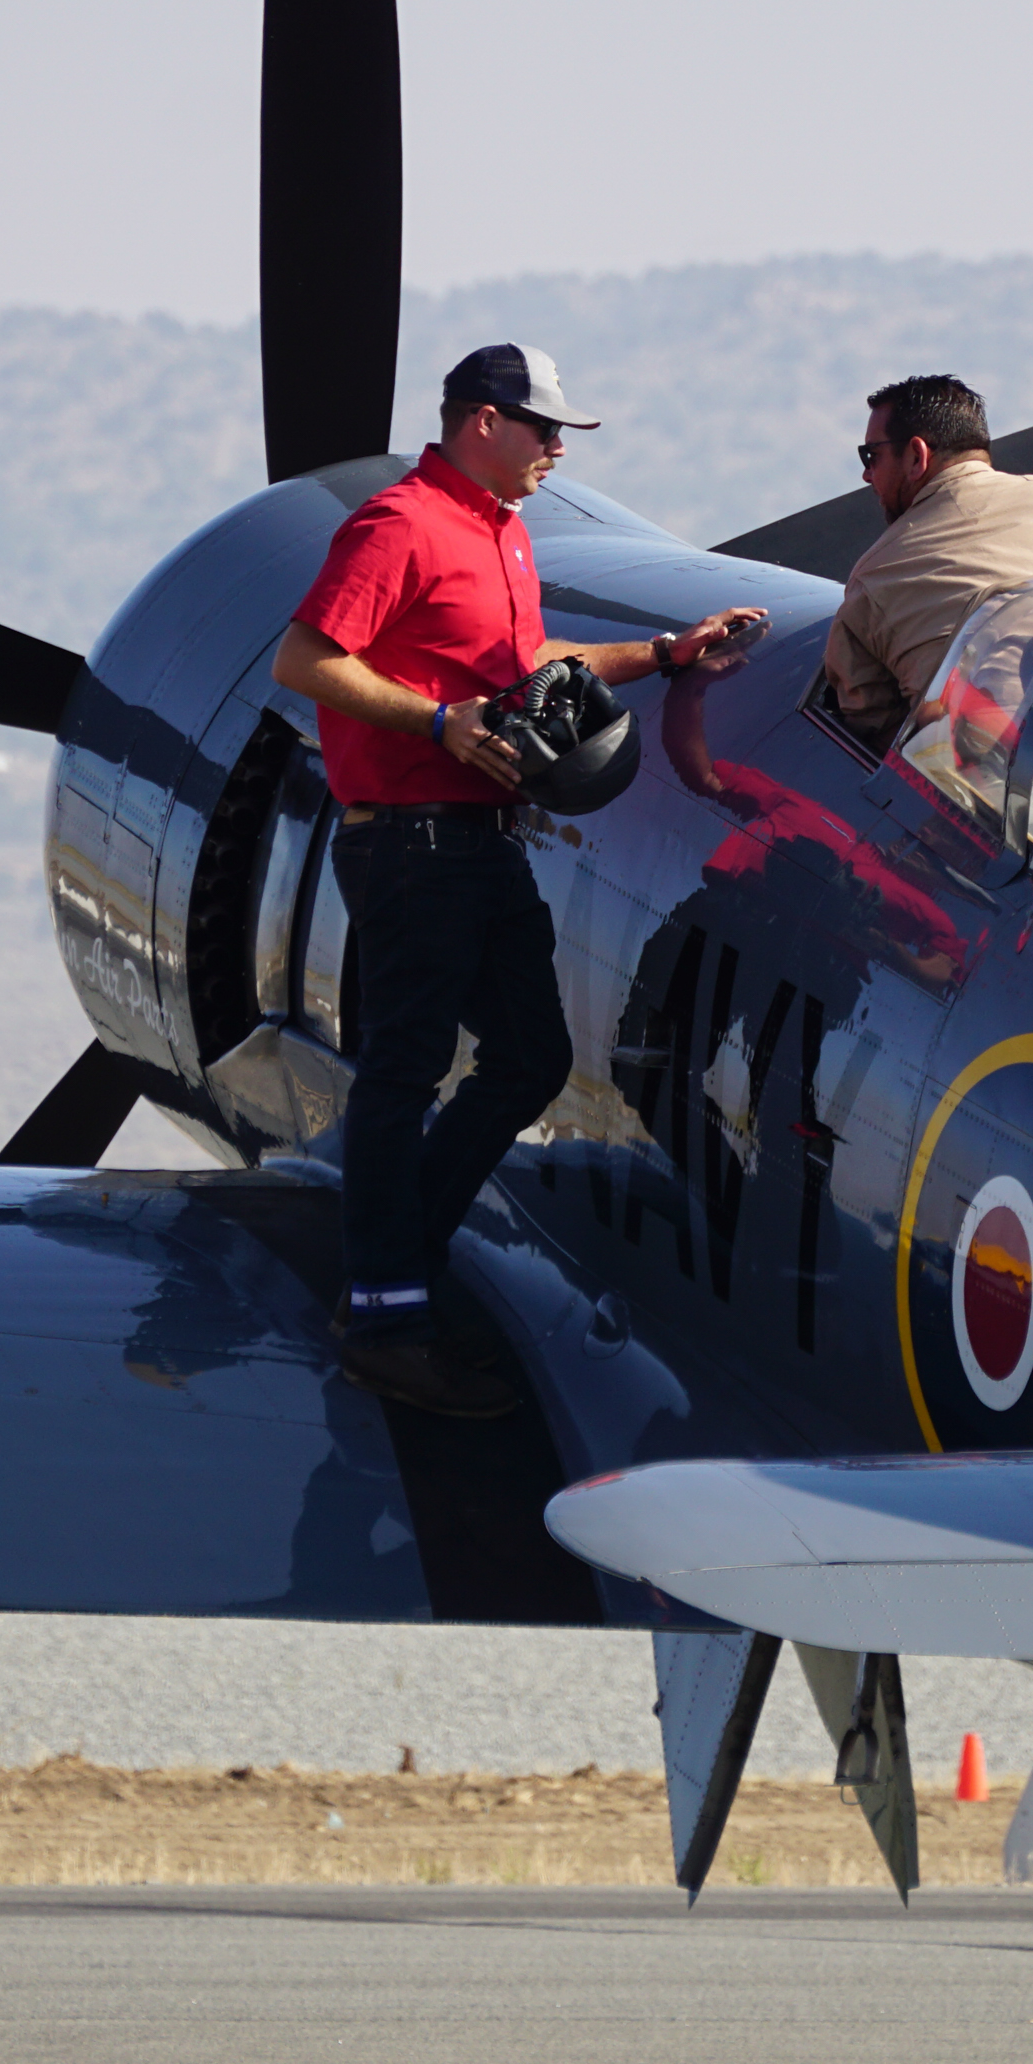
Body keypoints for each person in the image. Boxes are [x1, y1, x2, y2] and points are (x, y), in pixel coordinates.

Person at [271, 342, 761, 1415]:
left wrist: (672, 653)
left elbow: (537, 667)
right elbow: (305, 660)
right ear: (481, 423)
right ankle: (386, 1316)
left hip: (481, 838)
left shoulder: (501, 533)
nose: (556, 451)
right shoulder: (400, 525)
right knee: (403, 1072)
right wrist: (435, 721)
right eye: (544, 431)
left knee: (528, 1057)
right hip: (408, 840)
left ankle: (402, 1262)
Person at [819, 373, 1033, 750]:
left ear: (917, 456)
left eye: (872, 456)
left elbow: (873, 726)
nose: (867, 475)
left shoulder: (875, 576)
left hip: (982, 787)